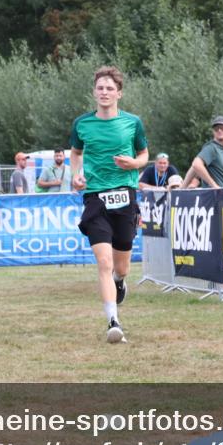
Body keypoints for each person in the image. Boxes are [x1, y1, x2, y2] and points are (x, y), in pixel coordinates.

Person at [71, 65, 149, 344]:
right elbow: (76, 152)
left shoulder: (132, 123)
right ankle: (113, 321)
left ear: (119, 93)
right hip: (95, 198)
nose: (104, 92)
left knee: (121, 267)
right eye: (100, 88)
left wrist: (135, 164)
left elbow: (144, 154)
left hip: (125, 197)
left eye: (109, 88)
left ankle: (120, 282)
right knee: (103, 263)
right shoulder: (82, 124)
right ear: (94, 92)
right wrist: (75, 175)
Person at [191, 116, 223, 188]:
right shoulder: (211, 147)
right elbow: (196, 164)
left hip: (222, 195)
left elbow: (193, 169)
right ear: (213, 131)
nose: (219, 130)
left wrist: (182, 188)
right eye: (216, 128)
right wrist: (214, 185)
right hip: (213, 195)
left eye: (222, 127)